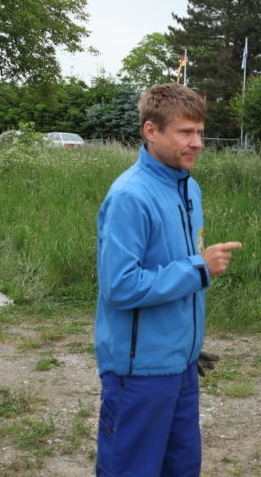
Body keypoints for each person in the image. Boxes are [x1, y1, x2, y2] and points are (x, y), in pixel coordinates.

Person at [95, 83, 241, 476]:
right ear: (151, 131)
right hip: (139, 373)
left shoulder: (188, 187)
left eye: (199, 132)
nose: (197, 143)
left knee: (181, 468)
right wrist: (198, 269)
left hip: (182, 365)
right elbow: (119, 285)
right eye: (185, 132)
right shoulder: (130, 196)